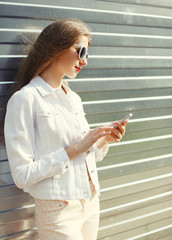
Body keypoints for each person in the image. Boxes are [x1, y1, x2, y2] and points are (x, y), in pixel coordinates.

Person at [4, 18, 127, 240]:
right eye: (81, 52)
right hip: (57, 209)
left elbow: (85, 154)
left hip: (90, 201)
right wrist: (77, 147)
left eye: (87, 54)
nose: (85, 61)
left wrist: (103, 139)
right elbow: (22, 175)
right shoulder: (25, 100)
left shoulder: (73, 99)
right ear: (56, 48)